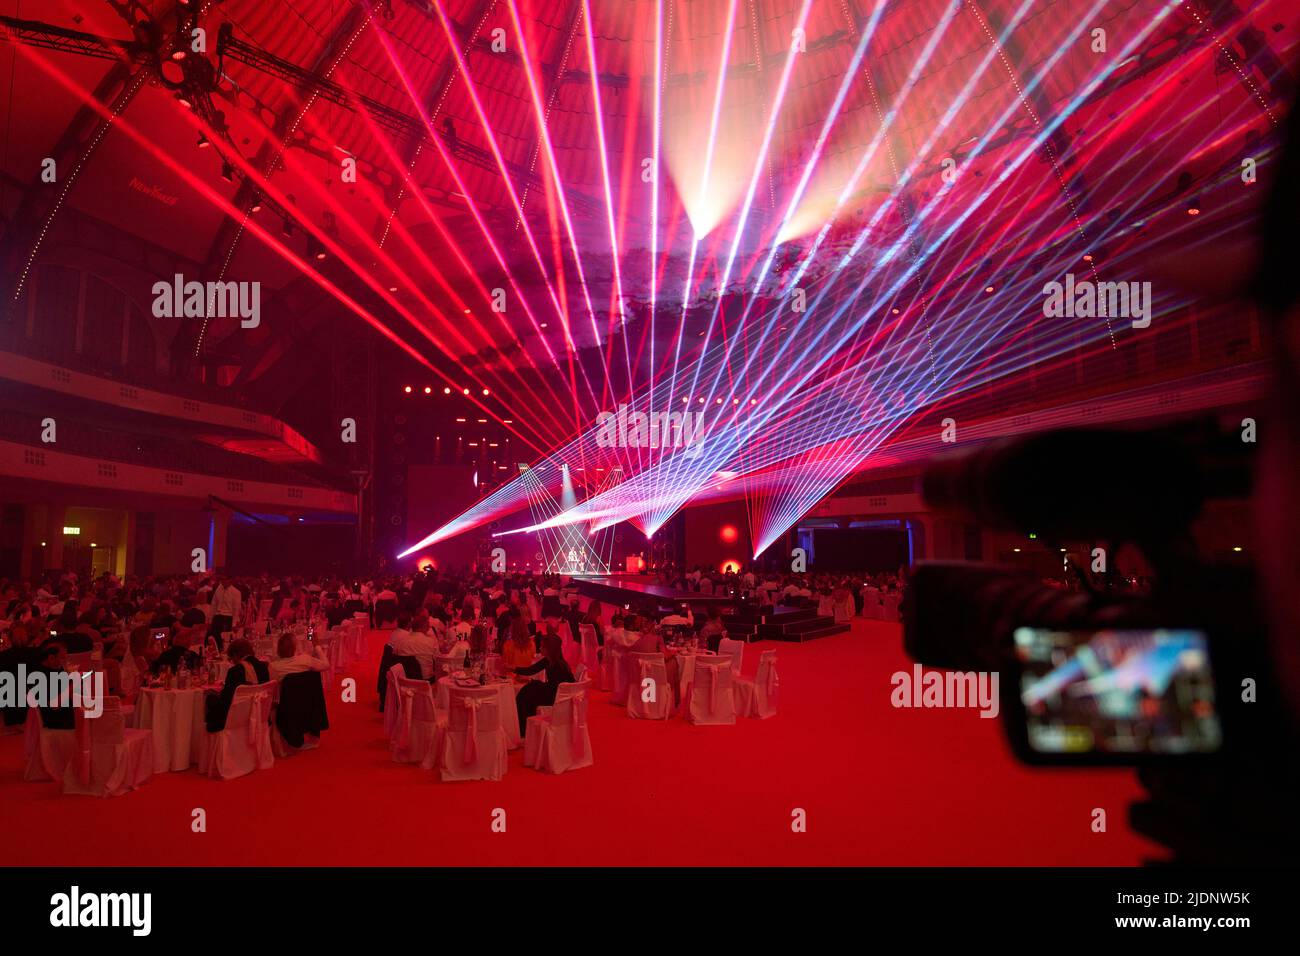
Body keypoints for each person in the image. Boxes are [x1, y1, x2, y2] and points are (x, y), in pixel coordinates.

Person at [511, 633, 574, 736]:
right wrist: (514, 669)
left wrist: (537, 686)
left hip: (557, 698)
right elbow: (531, 670)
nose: (540, 648)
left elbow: (560, 688)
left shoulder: (560, 666)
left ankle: (524, 730)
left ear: (550, 649)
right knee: (527, 691)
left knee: (526, 696)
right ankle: (523, 729)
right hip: (551, 692)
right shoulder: (549, 660)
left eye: (542, 646)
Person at [204, 639, 270, 732]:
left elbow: (225, 702)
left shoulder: (235, 671)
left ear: (235, 654)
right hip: (258, 717)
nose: (233, 662)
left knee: (209, 699)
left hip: (236, 721)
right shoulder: (264, 668)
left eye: (231, 659)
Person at [390, 612, 440, 679]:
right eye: (428, 626)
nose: (429, 628)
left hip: (404, 681)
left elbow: (395, 657)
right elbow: (438, 660)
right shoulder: (430, 642)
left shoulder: (400, 641)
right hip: (426, 681)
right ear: (423, 627)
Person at [209, 577, 242, 646]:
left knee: (225, 640)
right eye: (222, 580)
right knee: (214, 638)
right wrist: (210, 619)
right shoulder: (218, 589)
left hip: (228, 617)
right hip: (217, 617)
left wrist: (234, 624)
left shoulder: (236, 592)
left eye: (225, 580)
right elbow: (213, 605)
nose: (223, 582)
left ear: (230, 580)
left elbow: (236, 609)